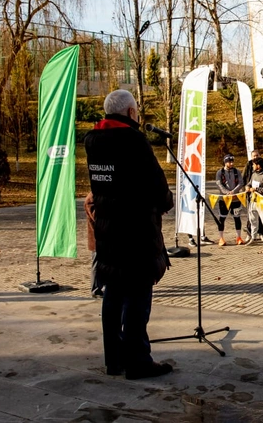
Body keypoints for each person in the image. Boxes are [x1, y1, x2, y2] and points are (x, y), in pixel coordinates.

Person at [84, 89, 173, 380]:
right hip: (135, 232)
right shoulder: (134, 140)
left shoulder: (92, 139)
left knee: (113, 294)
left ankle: (115, 361)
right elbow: (155, 182)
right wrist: (166, 202)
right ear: (131, 113)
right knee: (137, 298)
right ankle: (138, 362)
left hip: (108, 231)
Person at [215, 154, 243, 246]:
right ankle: (221, 238)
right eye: (229, 162)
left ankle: (238, 237)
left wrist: (233, 192)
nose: (231, 164)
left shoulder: (237, 171)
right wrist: (227, 192)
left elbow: (240, 183)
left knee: (237, 218)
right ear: (225, 162)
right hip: (224, 199)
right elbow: (219, 184)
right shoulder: (220, 172)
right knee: (222, 218)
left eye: (232, 162)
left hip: (235, 199)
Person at [245, 157, 263, 248]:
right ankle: (253, 237)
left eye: (254, 164)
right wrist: (247, 186)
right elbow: (249, 183)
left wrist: (256, 189)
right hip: (253, 200)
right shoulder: (253, 174)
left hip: (262, 202)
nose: (252, 166)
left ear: (258, 165)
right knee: (253, 220)